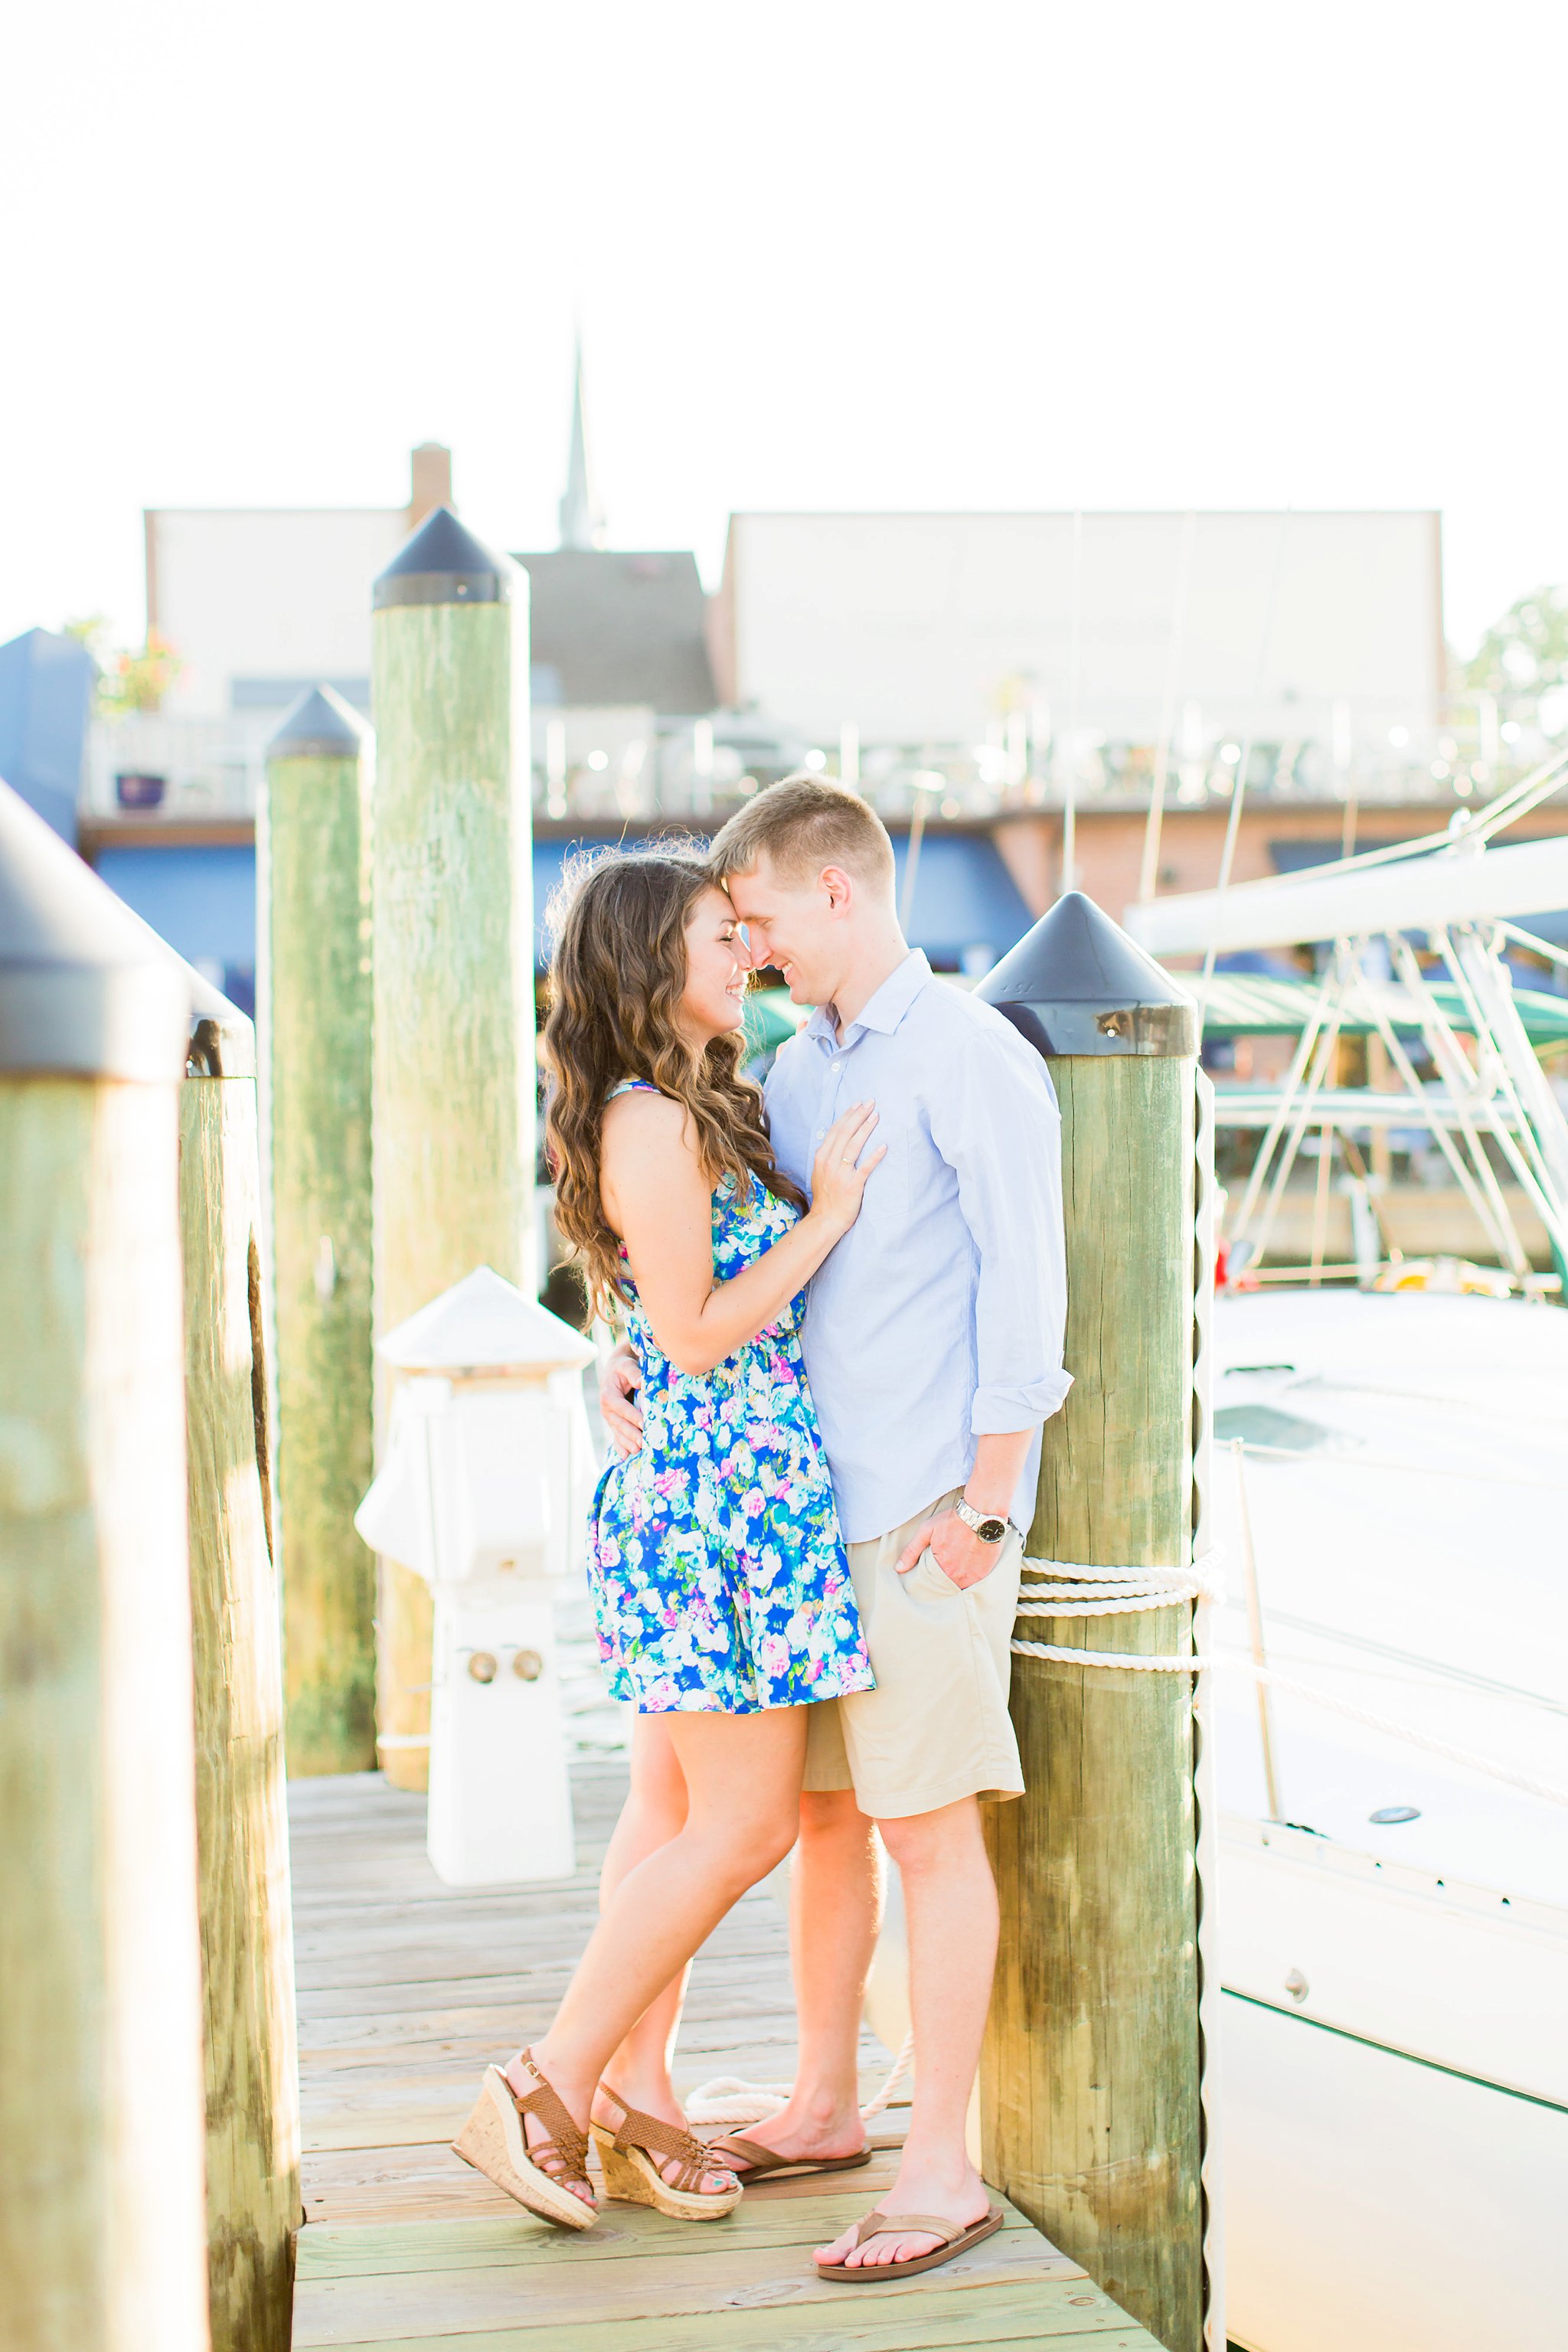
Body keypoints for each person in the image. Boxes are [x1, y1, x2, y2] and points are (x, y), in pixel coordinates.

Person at [600, 775, 1070, 2282]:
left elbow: (1027, 1294)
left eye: (760, 921)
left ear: (838, 895)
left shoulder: (971, 1058)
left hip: (925, 1514)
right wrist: (605, 1350)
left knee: (927, 1839)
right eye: (727, 932)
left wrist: (989, 1506)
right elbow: (699, 1260)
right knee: (814, 1824)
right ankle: (820, 2104)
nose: (749, 949)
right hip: (795, 1524)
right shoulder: (787, 1071)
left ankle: (942, 2164)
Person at [455, 848, 882, 2231]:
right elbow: (695, 1331)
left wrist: (611, 1347)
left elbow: (647, 1311)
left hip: (720, 1490)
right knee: (747, 1823)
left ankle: (639, 2096)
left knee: (671, 1812)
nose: (745, 955)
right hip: (716, 1504)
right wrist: (826, 1222)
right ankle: (548, 2081)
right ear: (651, 964)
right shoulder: (653, 1118)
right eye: (719, 935)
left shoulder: (689, 1103)